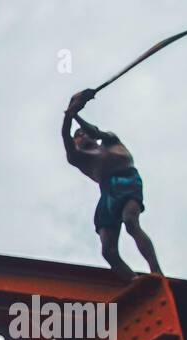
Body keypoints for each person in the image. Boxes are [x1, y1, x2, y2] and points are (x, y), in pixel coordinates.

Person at [62, 89, 162, 281]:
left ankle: (156, 271)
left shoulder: (110, 141)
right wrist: (69, 113)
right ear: (75, 143)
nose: (83, 135)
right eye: (78, 135)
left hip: (128, 181)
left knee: (131, 222)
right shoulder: (78, 157)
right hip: (107, 192)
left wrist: (76, 115)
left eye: (84, 133)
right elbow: (65, 135)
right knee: (108, 249)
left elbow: (95, 131)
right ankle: (134, 281)